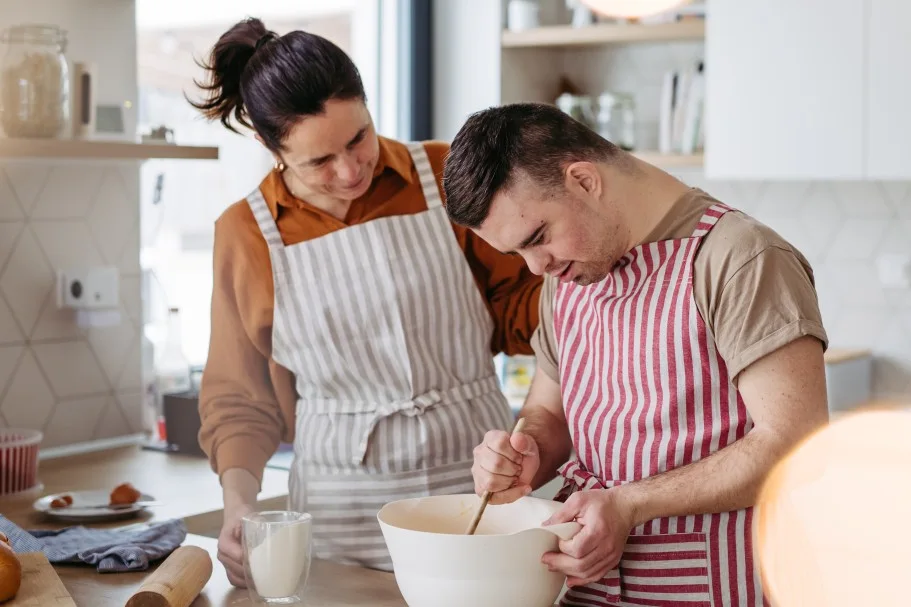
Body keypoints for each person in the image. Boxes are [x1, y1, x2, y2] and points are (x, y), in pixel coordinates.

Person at [189, 20, 542, 586]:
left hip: (477, 486)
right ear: (267, 145)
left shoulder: (443, 174)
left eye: (359, 137)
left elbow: (523, 305)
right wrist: (239, 506)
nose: (350, 170)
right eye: (319, 161)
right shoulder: (246, 233)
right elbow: (239, 397)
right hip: (340, 513)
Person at [442, 102, 830, 607]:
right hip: (587, 592)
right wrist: (526, 453)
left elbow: (795, 444)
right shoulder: (569, 273)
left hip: (719, 588)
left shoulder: (739, 258)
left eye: (538, 238)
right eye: (518, 253)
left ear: (584, 180)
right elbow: (548, 411)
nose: (537, 267)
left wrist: (629, 504)